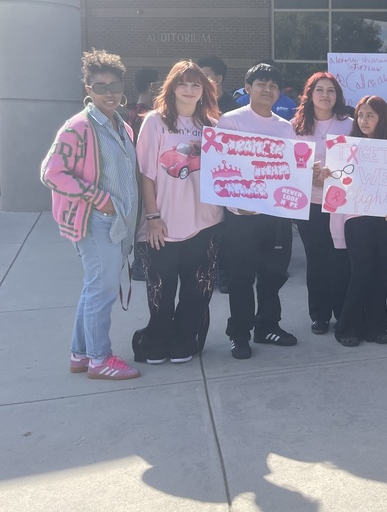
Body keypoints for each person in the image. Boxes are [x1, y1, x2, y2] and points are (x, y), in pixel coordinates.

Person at [41, 49, 141, 380]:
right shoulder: (79, 126)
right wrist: (99, 198)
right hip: (94, 222)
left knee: (94, 287)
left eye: (114, 85)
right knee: (103, 290)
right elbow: (52, 172)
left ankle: (80, 354)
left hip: (114, 221)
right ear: (88, 88)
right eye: (100, 86)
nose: (109, 92)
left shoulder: (120, 124)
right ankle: (100, 359)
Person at [133, 60, 223, 364]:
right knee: (161, 290)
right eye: (183, 83)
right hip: (164, 225)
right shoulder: (155, 122)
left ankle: (185, 340)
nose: (189, 89)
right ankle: (156, 342)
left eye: (195, 84)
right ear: (172, 88)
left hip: (206, 222)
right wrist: (153, 218)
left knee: (197, 291)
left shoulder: (212, 125)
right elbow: (146, 175)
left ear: (204, 90)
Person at [217, 63, 299, 360]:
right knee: (241, 277)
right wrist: (236, 202)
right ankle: (239, 334)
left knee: (274, 273)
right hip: (242, 217)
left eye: (273, 86)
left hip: (276, 215)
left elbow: (291, 170)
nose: (268, 89)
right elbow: (220, 168)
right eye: (261, 83)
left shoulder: (284, 126)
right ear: (247, 88)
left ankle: (267, 326)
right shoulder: (231, 121)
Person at [334, 95, 387, 346]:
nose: (363, 120)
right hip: (356, 216)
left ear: (382, 118)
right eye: (361, 115)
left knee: (380, 272)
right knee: (361, 271)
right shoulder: (346, 148)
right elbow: (340, 182)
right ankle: (347, 326)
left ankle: (377, 326)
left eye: (370, 115)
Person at [291, 72, 353, 335]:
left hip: (343, 205)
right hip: (311, 203)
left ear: (337, 95)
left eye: (331, 90)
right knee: (316, 260)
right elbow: (287, 165)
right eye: (320, 90)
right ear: (310, 94)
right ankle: (319, 314)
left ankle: (342, 311)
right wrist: (310, 174)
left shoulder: (349, 124)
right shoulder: (295, 126)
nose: (325, 95)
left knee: (340, 258)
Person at [128, 67, 159, 138]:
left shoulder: (133, 111)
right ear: (151, 87)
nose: (160, 88)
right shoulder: (143, 114)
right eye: (158, 84)